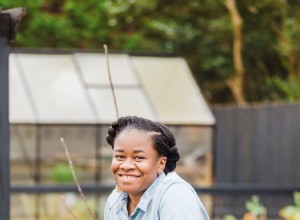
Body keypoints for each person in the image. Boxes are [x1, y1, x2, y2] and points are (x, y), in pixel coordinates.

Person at [104, 116, 210, 220]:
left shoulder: (175, 196)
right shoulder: (115, 201)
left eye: (138, 158)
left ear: (161, 164)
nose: (126, 166)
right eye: (120, 156)